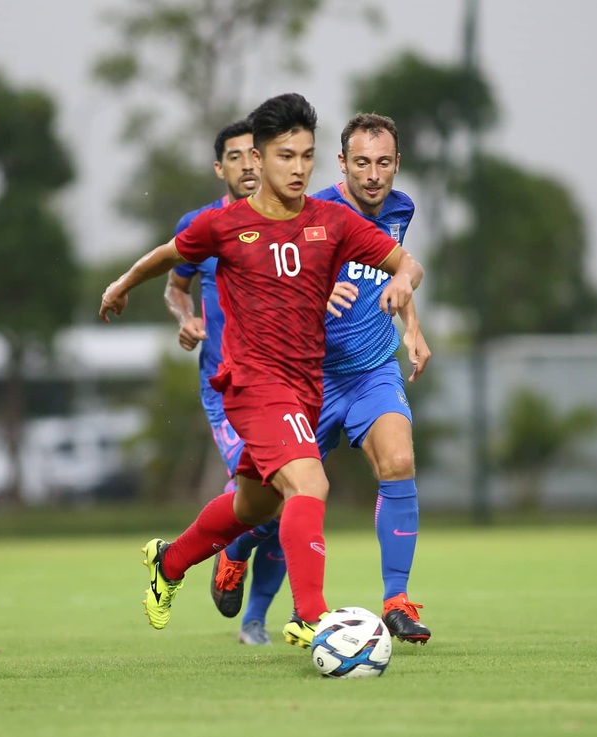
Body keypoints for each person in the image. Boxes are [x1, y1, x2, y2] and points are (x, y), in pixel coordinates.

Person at [98, 92, 424, 648]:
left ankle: (169, 562)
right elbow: (169, 255)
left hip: (306, 390)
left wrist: (403, 287)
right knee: (310, 483)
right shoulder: (225, 226)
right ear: (259, 159)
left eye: (305, 156)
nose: (297, 168)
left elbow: (403, 260)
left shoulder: (332, 222)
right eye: (284, 156)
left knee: (254, 507)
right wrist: (122, 285)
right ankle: (313, 618)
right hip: (253, 385)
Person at [210, 113, 433, 644]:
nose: (374, 175)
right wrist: (312, 293)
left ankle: (397, 602)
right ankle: (235, 549)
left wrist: (414, 327)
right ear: (342, 164)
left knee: (399, 459)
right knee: (268, 506)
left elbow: (403, 269)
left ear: (397, 164)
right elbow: (263, 274)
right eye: (362, 163)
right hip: (303, 377)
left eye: (383, 163)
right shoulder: (310, 212)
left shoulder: (401, 210)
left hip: (372, 370)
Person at [162, 119, 286, 646]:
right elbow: (174, 286)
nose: (247, 165)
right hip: (226, 390)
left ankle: (254, 618)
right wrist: (184, 318)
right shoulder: (203, 225)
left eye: (254, 155)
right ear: (221, 168)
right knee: (277, 494)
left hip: (288, 383)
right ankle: (230, 553)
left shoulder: (292, 220)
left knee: (290, 503)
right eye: (235, 157)